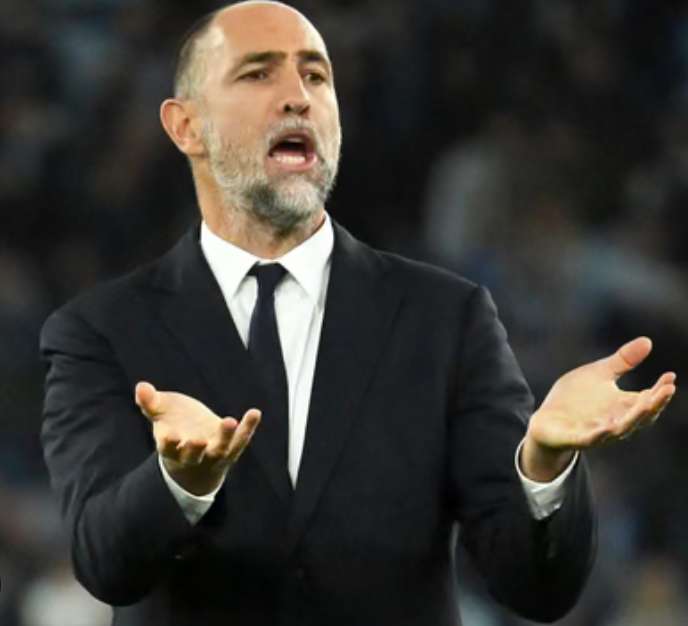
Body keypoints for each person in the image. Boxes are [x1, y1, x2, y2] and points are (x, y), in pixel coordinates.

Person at [40, 3, 676, 626]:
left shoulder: (446, 318)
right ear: (186, 127)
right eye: (258, 73)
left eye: (315, 75)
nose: (298, 97)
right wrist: (179, 480)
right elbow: (105, 562)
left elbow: (536, 589)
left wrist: (543, 463)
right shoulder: (99, 332)